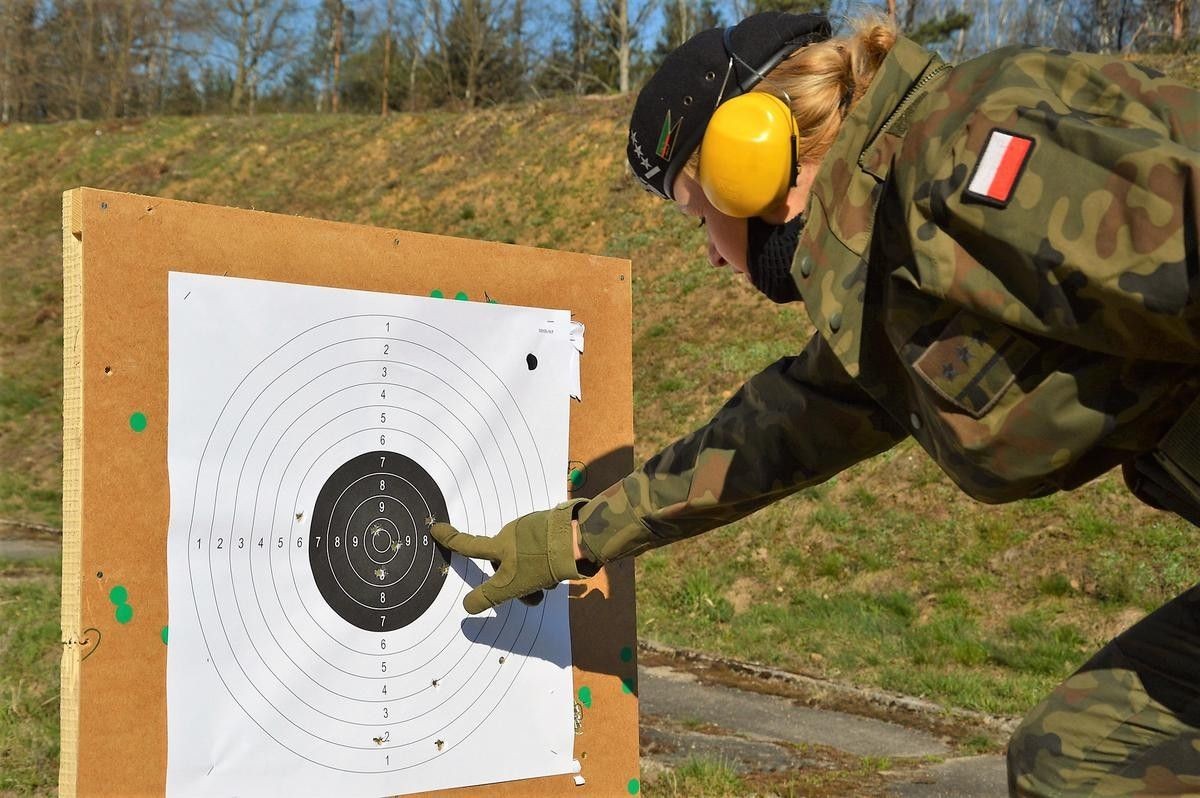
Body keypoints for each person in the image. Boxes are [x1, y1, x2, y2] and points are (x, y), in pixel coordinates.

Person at [430, 11, 1200, 796]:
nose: (708, 250)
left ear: (748, 163)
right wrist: (580, 536)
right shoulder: (888, 263)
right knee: (1079, 758)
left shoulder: (960, 149)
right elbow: (780, 431)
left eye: (700, 216)